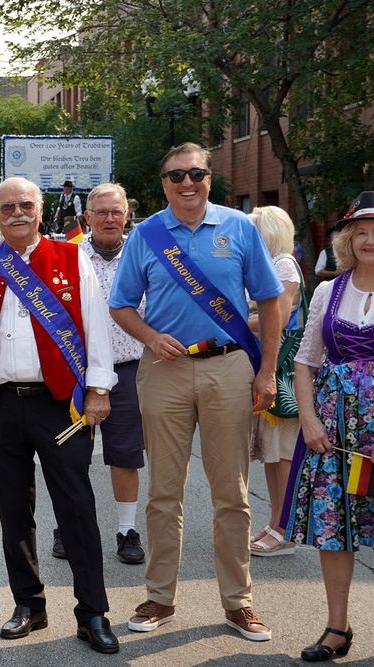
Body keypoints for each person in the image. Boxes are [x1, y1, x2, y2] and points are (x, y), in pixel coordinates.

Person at [109, 142, 283, 641]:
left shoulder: (239, 227)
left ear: (210, 178)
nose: (187, 183)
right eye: (176, 176)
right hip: (164, 370)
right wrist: (148, 336)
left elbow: (270, 301)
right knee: (165, 492)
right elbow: (122, 304)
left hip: (228, 368)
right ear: (163, 184)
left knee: (231, 492)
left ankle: (238, 602)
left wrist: (266, 370)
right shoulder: (146, 234)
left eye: (197, 173)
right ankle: (160, 597)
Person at [0, 176, 118, 653]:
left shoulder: (71, 259)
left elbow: (96, 325)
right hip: (0, 406)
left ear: (40, 208)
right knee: (14, 512)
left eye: (25, 204)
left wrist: (98, 390)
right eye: (6, 207)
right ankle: (28, 605)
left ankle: (92, 613)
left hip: (61, 405)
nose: (16, 213)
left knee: (77, 509)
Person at [285, 192, 374, 665]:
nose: (371, 240)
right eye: (362, 232)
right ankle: (337, 627)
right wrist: (310, 419)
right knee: (334, 527)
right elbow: (305, 362)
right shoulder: (327, 290)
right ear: (348, 241)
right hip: (333, 430)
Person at [63, 182, 147, 566]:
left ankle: (126, 529)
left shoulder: (145, 254)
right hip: (78, 373)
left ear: (127, 214)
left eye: (117, 211)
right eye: (102, 212)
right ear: (87, 218)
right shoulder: (68, 257)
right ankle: (68, 526)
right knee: (68, 455)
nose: (110, 218)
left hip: (131, 369)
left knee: (125, 454)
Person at [248, 206, 304, 557]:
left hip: (283, 370)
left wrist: (234, 318)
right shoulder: (275, 264)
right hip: (274, 367)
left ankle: (285, 529)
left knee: (282, 452)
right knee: (272, 452)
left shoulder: (283, 265)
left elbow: (278, 319)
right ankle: (276, 521)